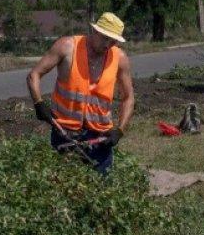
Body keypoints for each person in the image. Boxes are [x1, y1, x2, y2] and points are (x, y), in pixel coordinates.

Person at [26, 12, 134, 174]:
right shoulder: (67, 47)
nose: (108, 45)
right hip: (65, 133)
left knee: (101, 189)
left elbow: (128, 97)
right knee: (63, 185)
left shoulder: (120, 58)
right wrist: (39, 104)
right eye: (105, 38)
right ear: (94, 31)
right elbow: (34, 75)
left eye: (113, 41)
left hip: (100, 137)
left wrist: (120, 130)